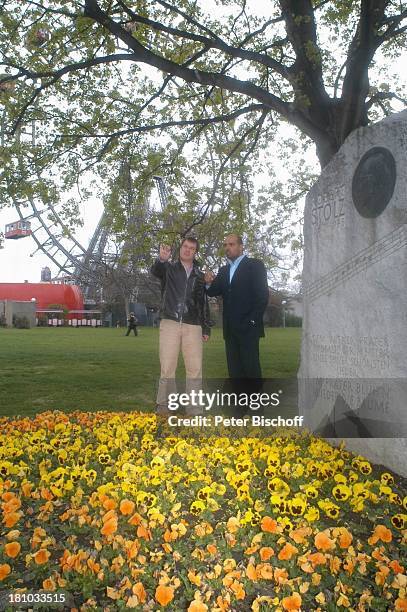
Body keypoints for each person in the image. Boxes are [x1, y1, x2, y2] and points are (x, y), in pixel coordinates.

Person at [151, 236, 211, 413]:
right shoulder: (168, 269)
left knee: (195, 369)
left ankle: (194, 410)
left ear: (195, 252)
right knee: (167, 368)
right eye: (185, 246)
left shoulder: (200, 276)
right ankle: (165, 406)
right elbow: (156, 270)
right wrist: (162, 258)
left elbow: (203, 302)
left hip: (193, 325)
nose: (187, 250)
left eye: (192, 248)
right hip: (170, 322)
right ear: (180, 248)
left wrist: (206, 327)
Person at [205, 234, 269, 380]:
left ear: (241, 246)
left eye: (231, 244)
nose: (227, 247)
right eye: (225, 245)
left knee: (251, 369)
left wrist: (252, 321)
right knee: (234, 371)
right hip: (230, 330)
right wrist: (208, 282)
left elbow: (262, 296)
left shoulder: (255, 265)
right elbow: (212, 291)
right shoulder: (223, 271)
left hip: (249, 328)